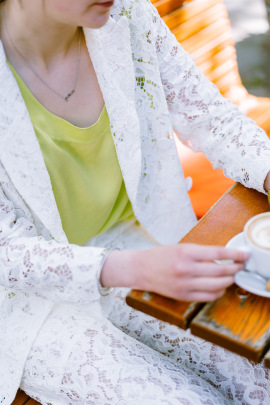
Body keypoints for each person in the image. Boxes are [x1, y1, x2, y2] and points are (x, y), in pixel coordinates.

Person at [0, 0, 269, 404]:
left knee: (260, 382)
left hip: (143, 246)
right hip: (31, 305)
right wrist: (127, 268)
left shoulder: (126, 14)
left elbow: (212, 117)